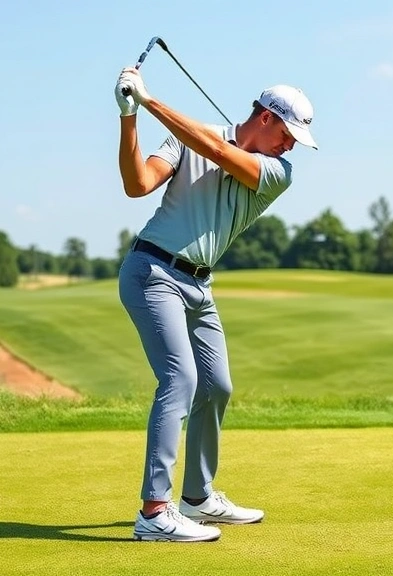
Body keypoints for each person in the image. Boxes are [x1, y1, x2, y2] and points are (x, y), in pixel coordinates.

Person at [114, 66, 318, 542]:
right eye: (288, 134)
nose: (291, 146)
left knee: (217, 385)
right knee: (180, 379)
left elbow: (219, 151)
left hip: (199, 287)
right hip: (152, 273)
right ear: (266, 118)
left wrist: (149, 101)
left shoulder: (277, 173)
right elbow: (137, 184)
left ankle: (197, 496)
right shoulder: (187, 137)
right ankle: (155, 510)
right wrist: (129, 117)